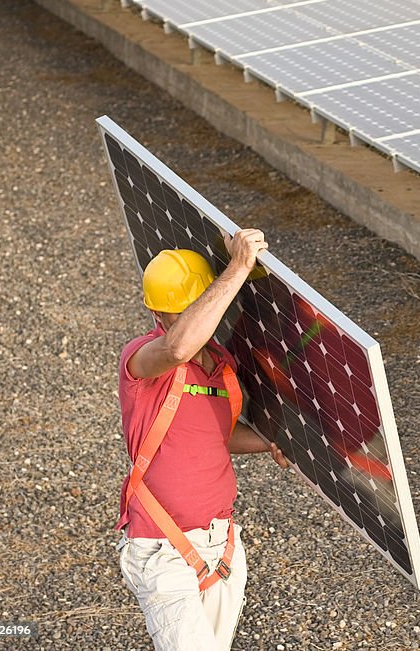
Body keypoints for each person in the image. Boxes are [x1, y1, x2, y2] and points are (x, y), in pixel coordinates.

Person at [115, 229, 289, 650]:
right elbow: (176, 348)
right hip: (162, 548)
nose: (172, 321)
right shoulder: (143, 358)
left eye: (181, 311)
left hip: (222, 544)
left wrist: (269, 443)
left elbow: (217, 437)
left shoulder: (222, 368)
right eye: (166, 313)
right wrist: (238, 268)